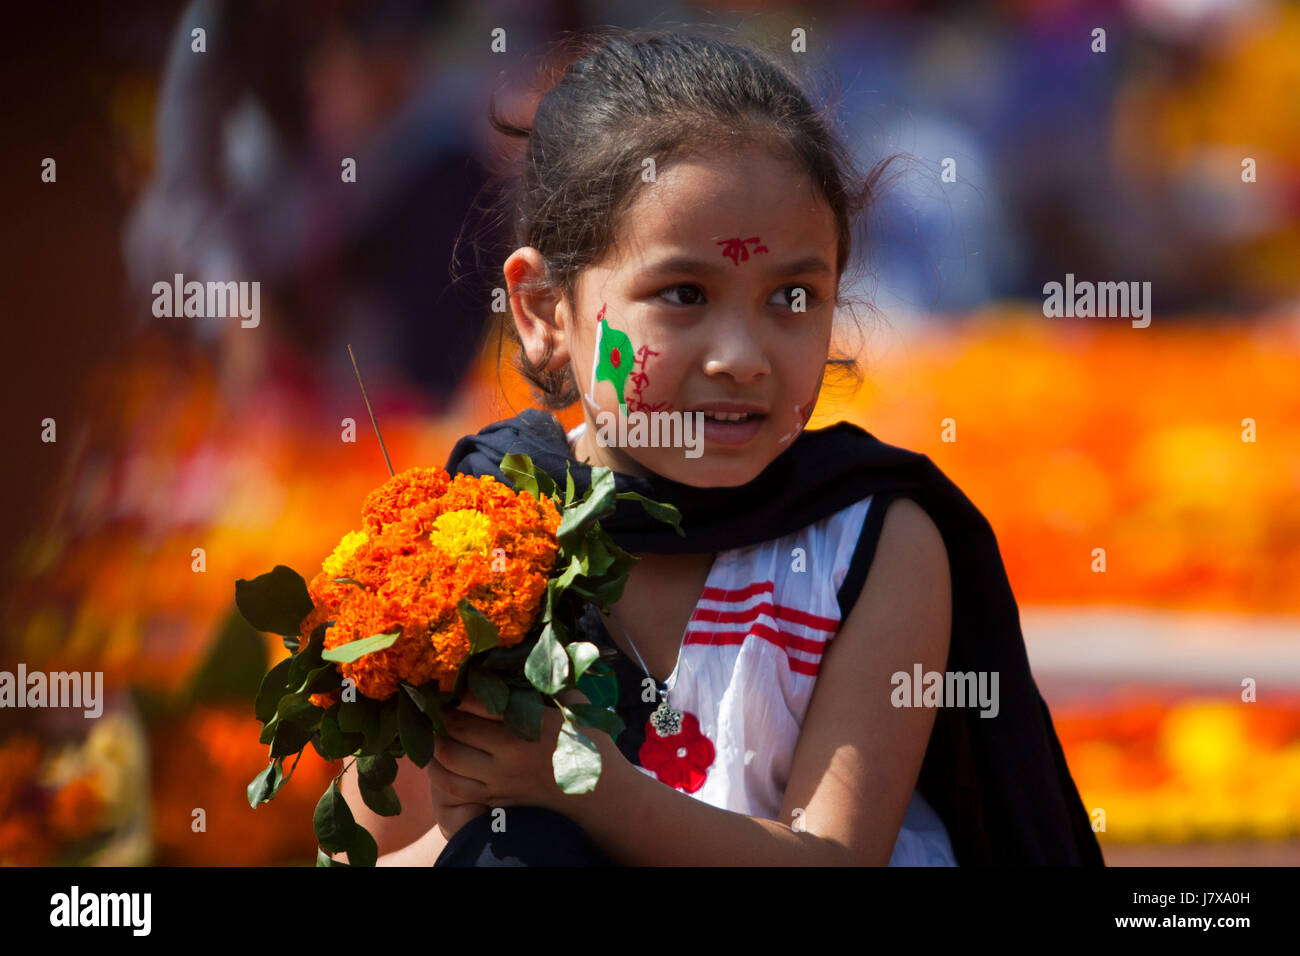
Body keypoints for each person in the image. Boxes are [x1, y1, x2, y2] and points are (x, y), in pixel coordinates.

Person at [339, 25, 1104, 867]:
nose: (741, 358)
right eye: (684, 292)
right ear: (543, 312)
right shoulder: (471, 544)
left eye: (792, 296)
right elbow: (367, 852)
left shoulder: (869, 542)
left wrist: (586, 789)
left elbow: (834, 858)